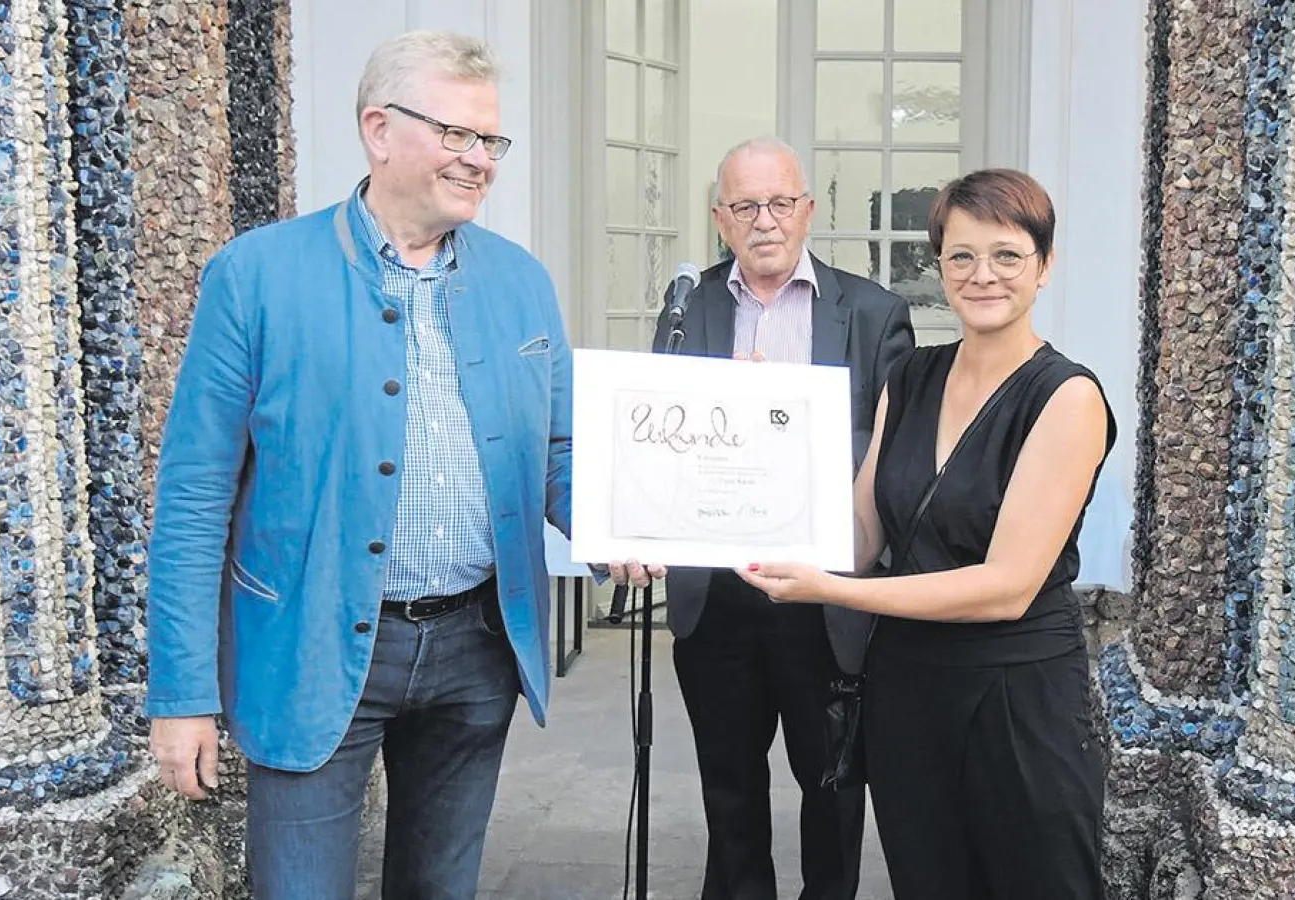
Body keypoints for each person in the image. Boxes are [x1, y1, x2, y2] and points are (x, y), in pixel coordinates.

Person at [144, 31, 574, 899]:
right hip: (307, 646)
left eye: (490, 140)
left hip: (474, 648)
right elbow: (194, 496)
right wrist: (182, 693)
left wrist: (629, 518)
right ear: (380, 130)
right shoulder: (255, 274)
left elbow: (560, 449)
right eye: (457, 134)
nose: (479, 159)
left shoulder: (522, 280)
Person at [735, 168, 1115, 899]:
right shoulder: (910, 376)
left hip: (1016, 696)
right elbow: (860, 536)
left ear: (1045, 265)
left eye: (1007, 255)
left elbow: (1006, 587)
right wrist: (761, 438)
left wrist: (829, 590)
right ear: (938, 266)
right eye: (961, 256)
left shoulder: (1066, 397)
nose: (983, 276)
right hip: (908, 690)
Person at [614, 137, 913, 900]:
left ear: (808, 210)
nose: (766, 221)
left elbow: (894, 445)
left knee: (833, 786)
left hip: (823, 597)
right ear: (721, 219)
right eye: (746, 206)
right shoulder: (689, 307)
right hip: (717, 596)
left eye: (781, 203)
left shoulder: (874, 313)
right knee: (729, 788)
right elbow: (660, 434)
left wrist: (777, 414)